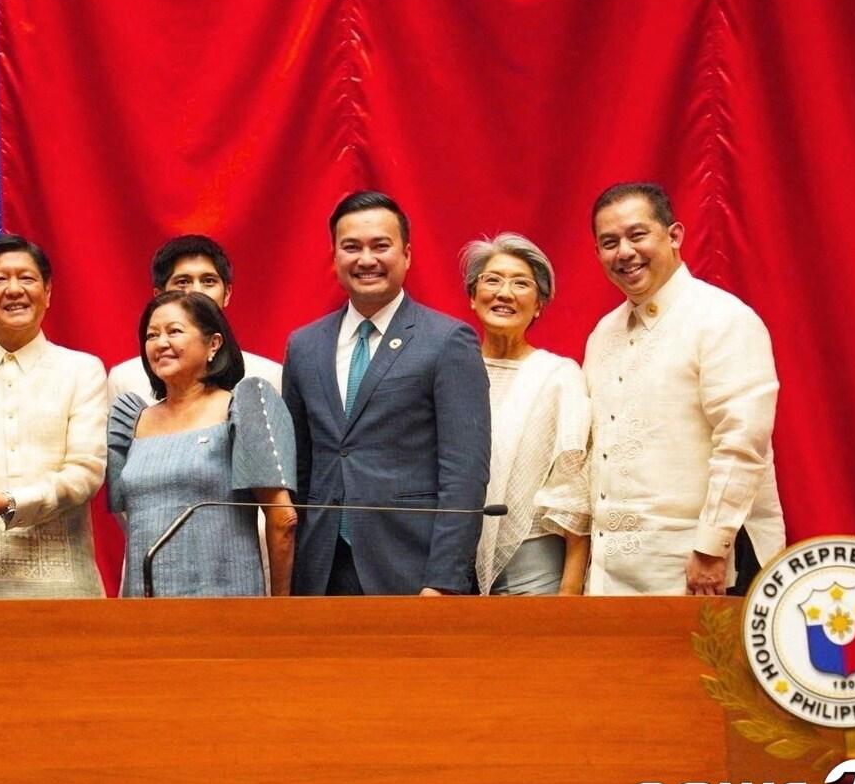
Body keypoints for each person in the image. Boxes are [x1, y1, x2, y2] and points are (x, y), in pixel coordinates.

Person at [282, 191, 491, 595]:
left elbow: (464, 472)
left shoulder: (447, 341)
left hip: (411, 569)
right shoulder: (304, 346)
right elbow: (301, 467)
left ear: (407, 254)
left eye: (381, 246)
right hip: (322, 571)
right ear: (334, 257)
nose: (366, 259)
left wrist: (444, 580)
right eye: (351, 247)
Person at [583, 182, 784, 595]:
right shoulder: (603, 333)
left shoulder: (722, 318)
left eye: (637, 235)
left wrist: (712, 548)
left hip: (700, 567)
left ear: (674, 236)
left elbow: (743, 441)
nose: (624, 252)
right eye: (609, 242)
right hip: (609, 573)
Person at [0, 235, 107, 598]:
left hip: (67, 592)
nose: (13, 290)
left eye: (26, 278)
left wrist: (10, 502)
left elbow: (86, 472)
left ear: (48, 292)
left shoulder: (82, 370)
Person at [108, 291, 297, 596]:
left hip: (223, 610)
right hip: (143, 613)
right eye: (151, 335)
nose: (161, 343)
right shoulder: (131, 418)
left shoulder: (243, 407)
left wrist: (279, 610)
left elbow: (283, 518)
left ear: (214, 344)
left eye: (174, 331)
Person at [460, 234, 590, 595]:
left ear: (539, 305)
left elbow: (575, 486)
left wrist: (570, 588)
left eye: (521, 283)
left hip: (533, 567)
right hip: (450, 566)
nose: (505, 293)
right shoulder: (451, 371)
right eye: (492, 280)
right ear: (473, 297)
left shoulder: (559, 376)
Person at [108, 235, 282, 403]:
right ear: (159, 296)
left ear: (227, 293)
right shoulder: (125, 380)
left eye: (208, 281)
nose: (196, 291)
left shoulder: (267, 377)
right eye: (183, 282)